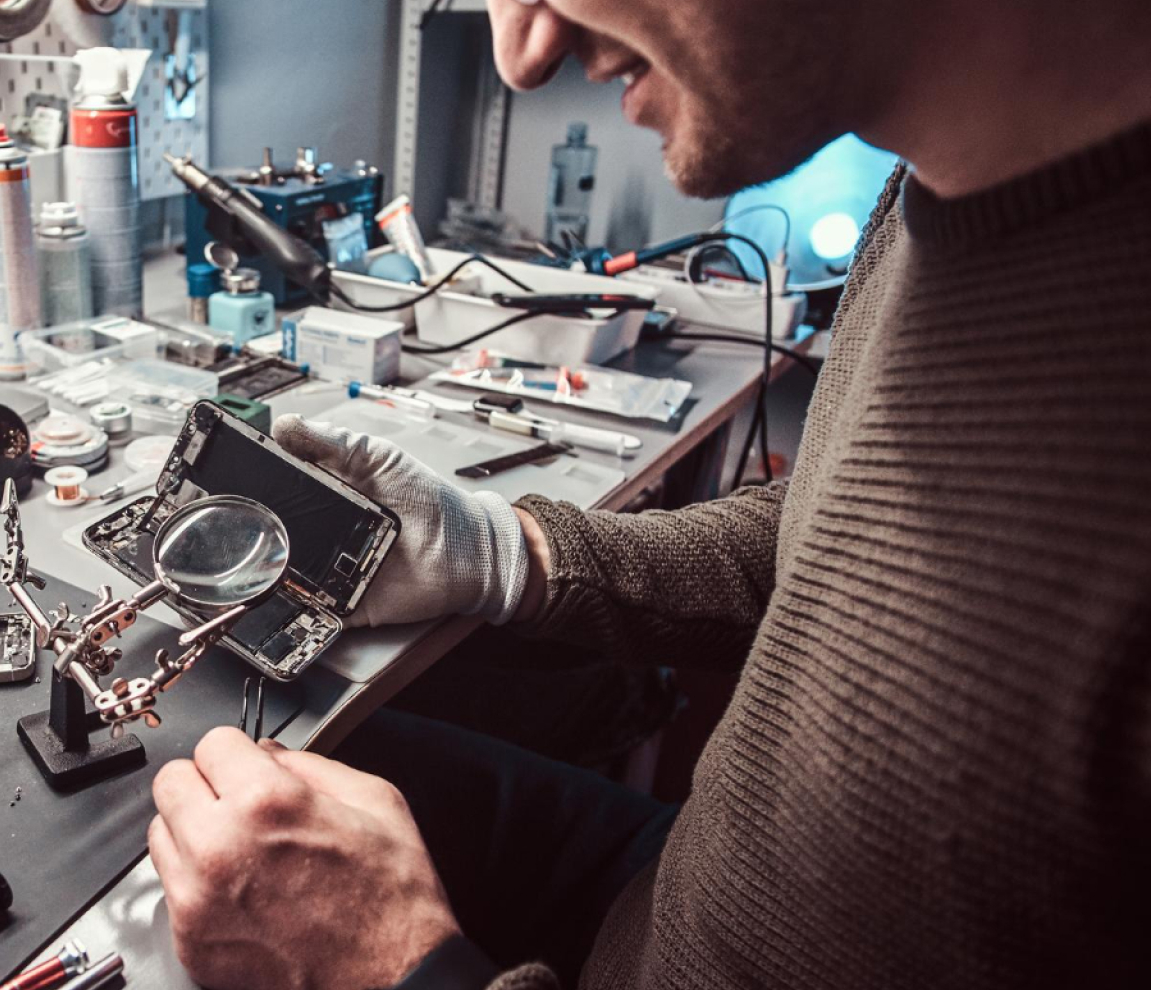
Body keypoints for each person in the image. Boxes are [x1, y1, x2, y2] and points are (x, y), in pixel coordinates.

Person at [147, 0, 1151, 987]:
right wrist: (502, 554)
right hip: (682, 888)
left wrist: (396, 970)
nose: (522, 54)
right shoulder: (930, 190)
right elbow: (841, 539)